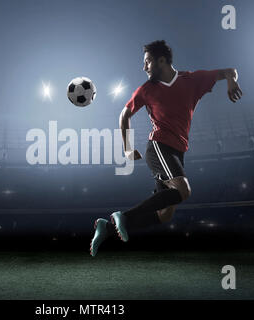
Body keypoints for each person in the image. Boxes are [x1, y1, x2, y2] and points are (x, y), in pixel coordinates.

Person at [90, 40, 242, 257]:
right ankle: (121, 216)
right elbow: (124, 115)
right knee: (183, 191)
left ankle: (106, 228)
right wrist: (127, 149)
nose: (144, 67)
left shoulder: (192, 80)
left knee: (165, 215)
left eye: (148, 62)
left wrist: (232, 82)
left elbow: (230, 71)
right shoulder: (146, 90)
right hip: (159, 146)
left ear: (162, 60)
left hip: (178, 151)